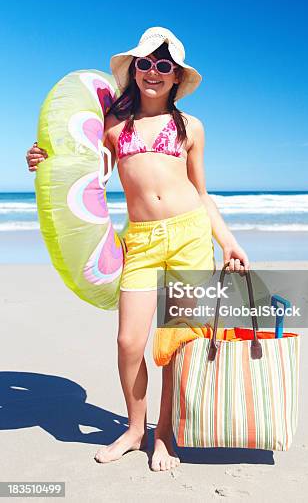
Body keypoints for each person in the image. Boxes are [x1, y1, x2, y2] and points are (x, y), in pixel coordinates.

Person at [26, 26, 249, 472]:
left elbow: (203, 194)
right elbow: (79, 168)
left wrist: (228, 243)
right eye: (145, 63)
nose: (152, 72)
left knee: (176, 344)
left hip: (189, 237)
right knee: (129, 341)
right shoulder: (114, 126)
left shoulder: (190, 127)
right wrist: (40, 159)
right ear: (135, 71)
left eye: (163, 66)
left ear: (175, 77)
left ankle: (163, 435)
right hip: (142, 242)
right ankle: (134, 428)